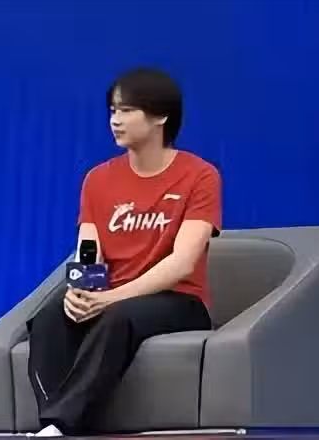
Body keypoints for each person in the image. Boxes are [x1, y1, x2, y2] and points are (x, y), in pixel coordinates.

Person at [26, 68, 222, 437]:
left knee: (117, 318)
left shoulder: (200, 175)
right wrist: (81, 290)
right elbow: (88, 249)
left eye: (127, 111)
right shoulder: (98, 178)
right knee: (50, 318)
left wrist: (112, 298)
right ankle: (51, 423)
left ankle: (63, 424)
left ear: (160, 116)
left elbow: (183, 262)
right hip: (114, 297)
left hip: (179, 301)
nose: (115, 120)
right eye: (112, 111)